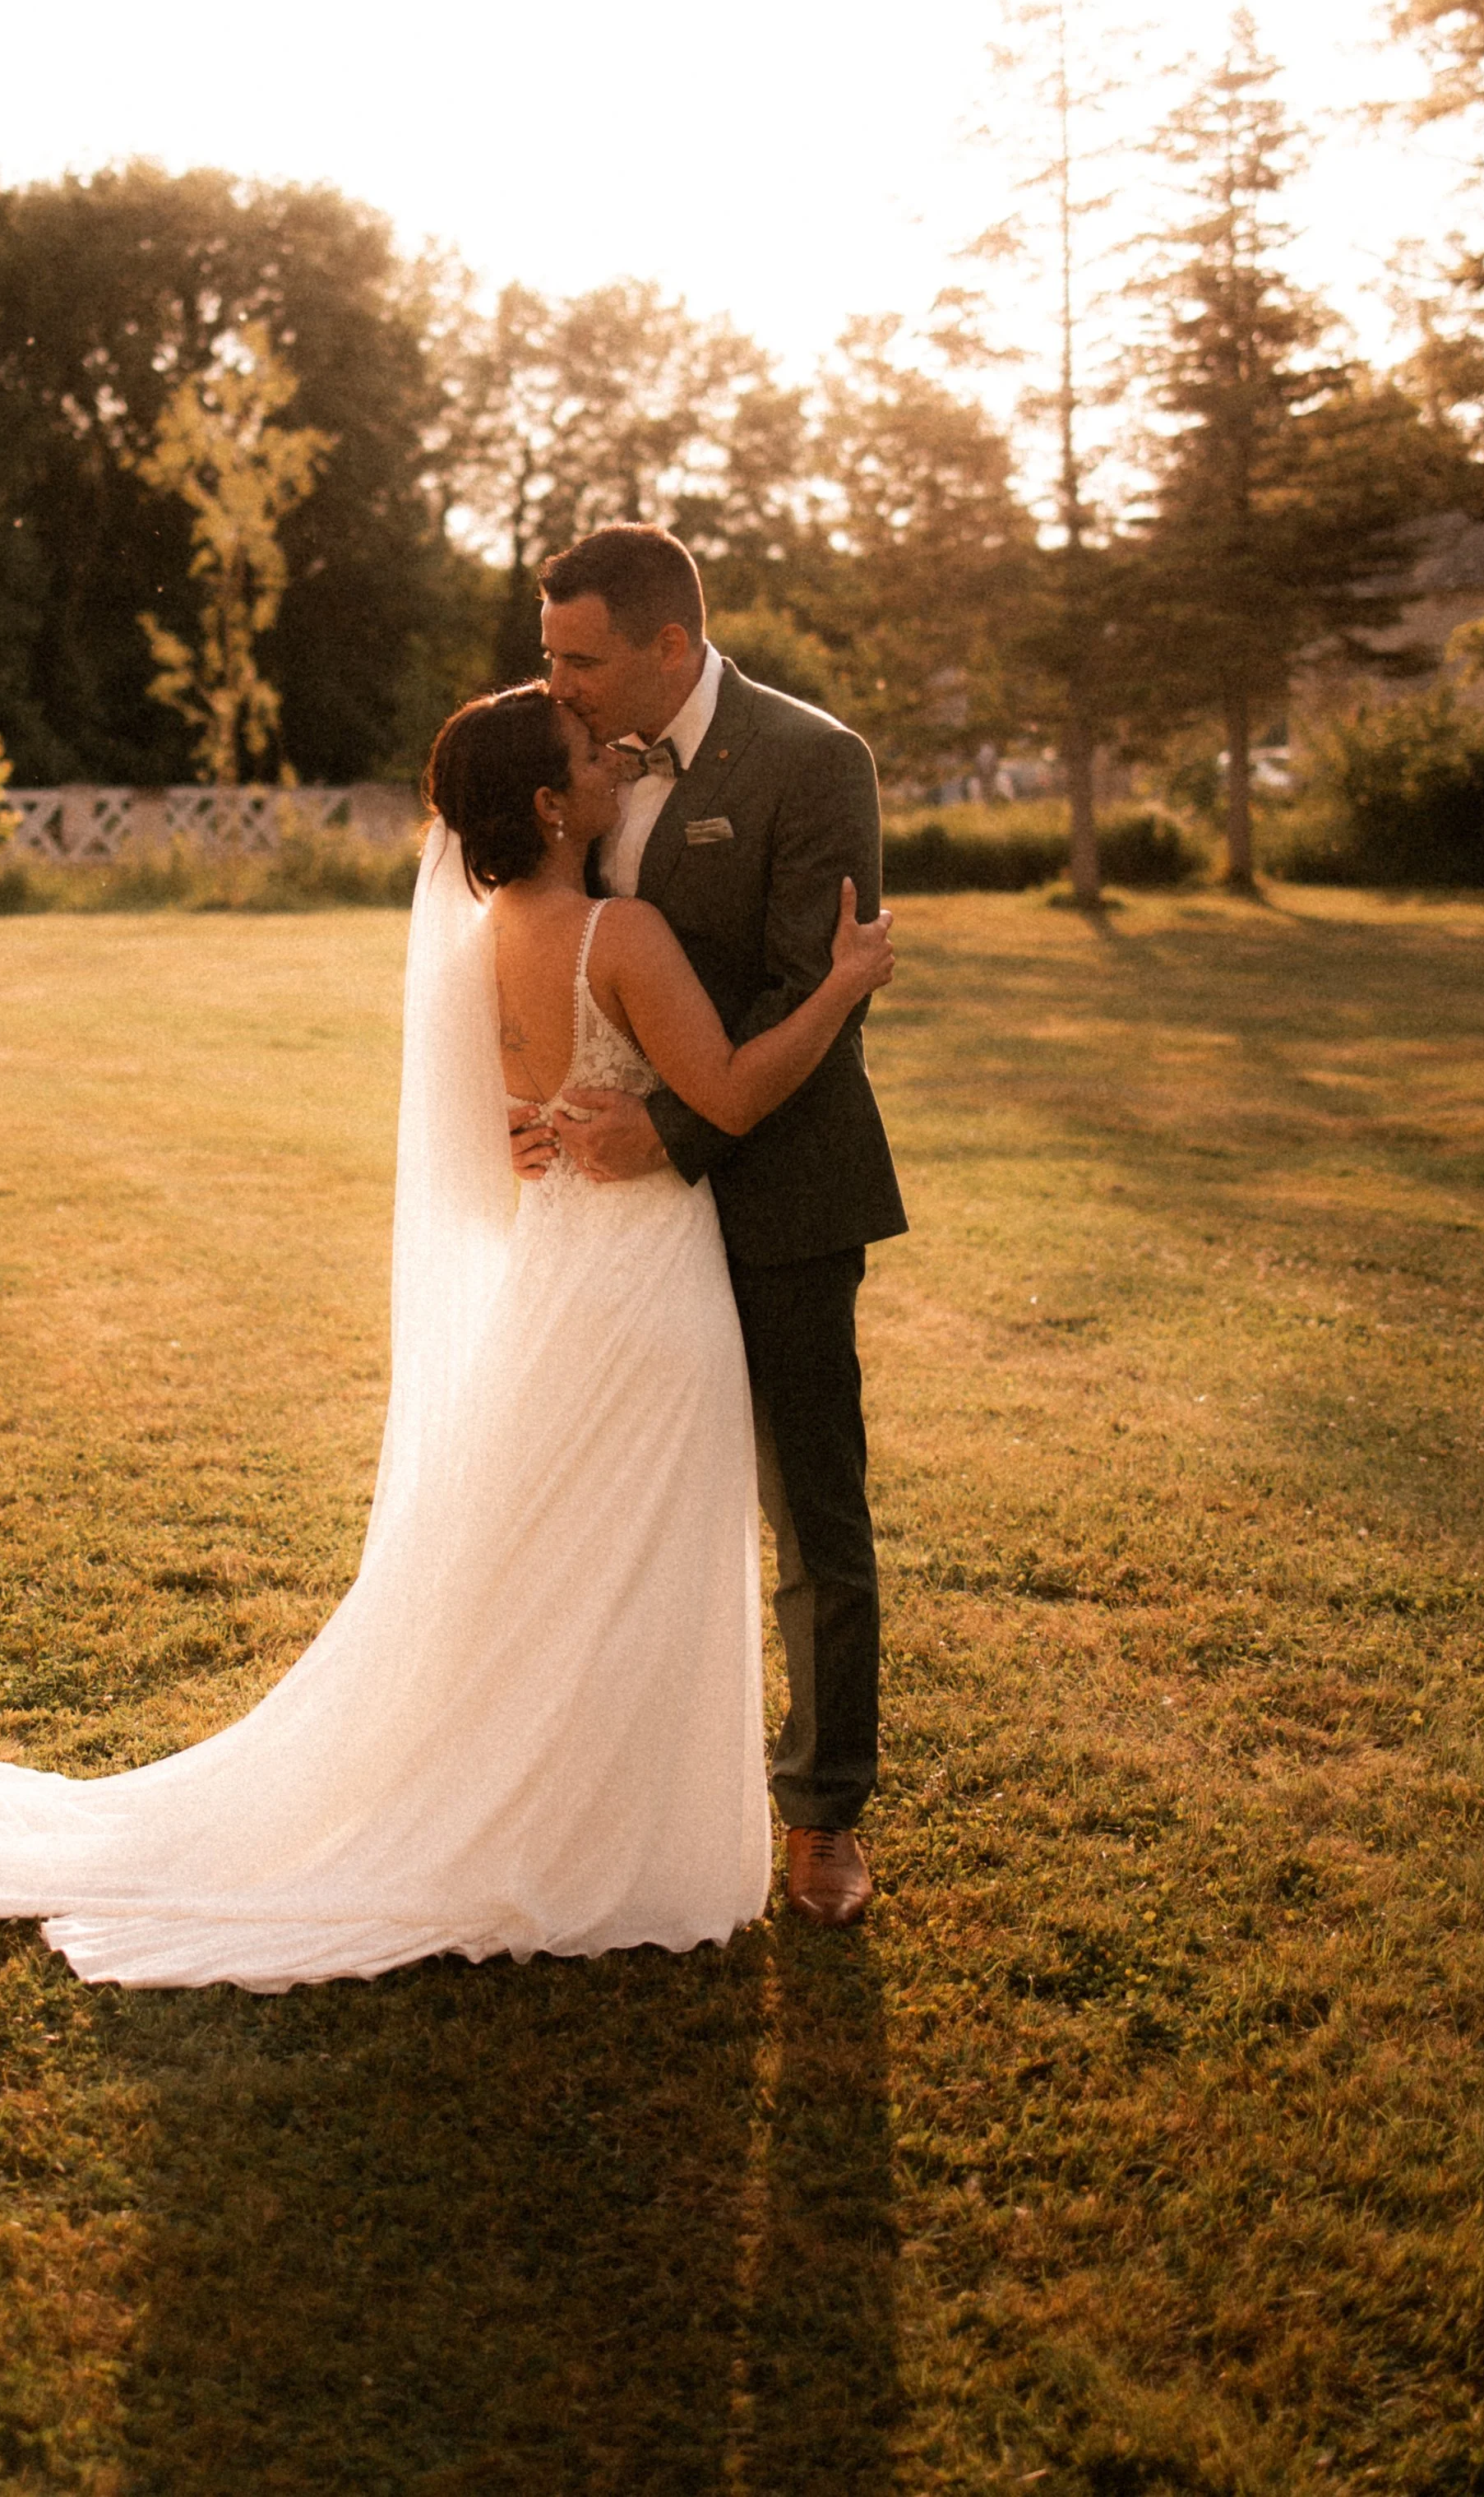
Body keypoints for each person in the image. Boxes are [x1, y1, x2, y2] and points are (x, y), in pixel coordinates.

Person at [0, 688, 893, 1993]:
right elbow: (738, 1089)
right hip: (642, 1282)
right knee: (635, 1556)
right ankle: (606, 1831)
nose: (613, 759)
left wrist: (538, 1125)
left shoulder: (486, 939)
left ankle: (561, 1808)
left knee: (568, 1561)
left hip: (558, 1277)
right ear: (547, 803)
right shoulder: (621, 932)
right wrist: (841, 987)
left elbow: (486, 1129)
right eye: (590, 757)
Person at [525, 525, 907, 1929]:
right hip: (618, 1235)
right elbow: (531, 950)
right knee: (617, 1509)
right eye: (547, 655)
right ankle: (608, 1788)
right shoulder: (569, 764)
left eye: (581, 657)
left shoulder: (815, 761)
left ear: (670, 646)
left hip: (785, 1193)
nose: (555, 684)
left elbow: (818, 985)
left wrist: (666, 1137)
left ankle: (822, 1816)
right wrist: (537, 1112)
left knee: (814, 1510)